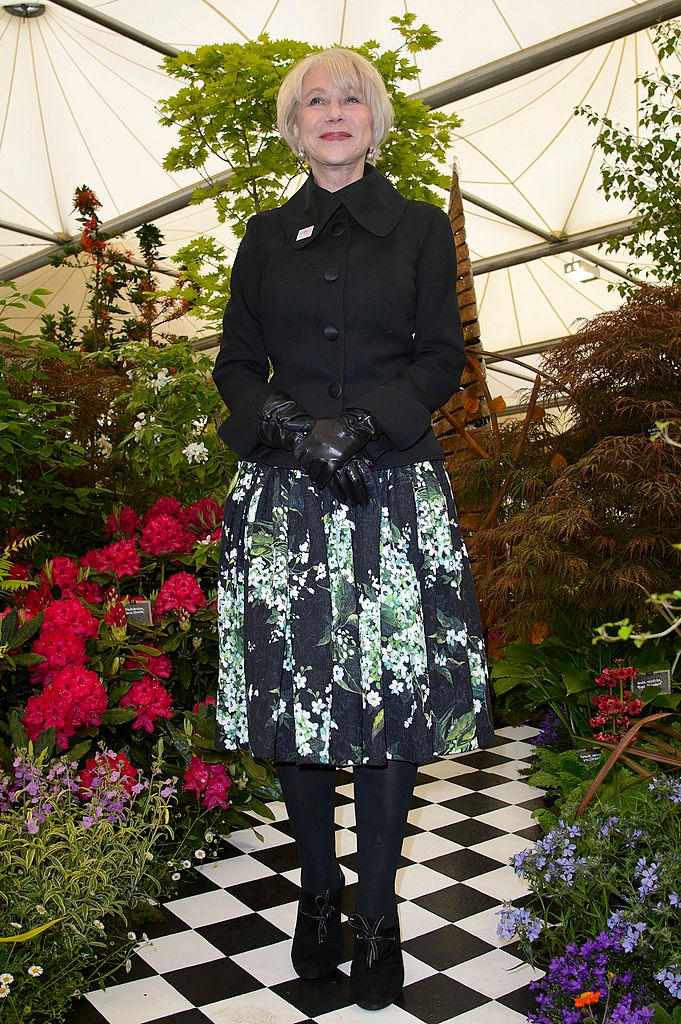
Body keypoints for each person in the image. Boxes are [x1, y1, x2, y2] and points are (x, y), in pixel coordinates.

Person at [212, 47, 495, 1012]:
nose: (333, 113)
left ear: (374, 122)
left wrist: (366, 424)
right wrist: (292, 428)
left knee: (388, 705)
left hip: (389, 490)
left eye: (351, 99)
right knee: (294, 705)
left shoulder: (417, 229)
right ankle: (318, 894)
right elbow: (235, 364)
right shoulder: (262, 236)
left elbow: (442, 354)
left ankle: (376, 910)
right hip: (284, 498)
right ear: (293, 129)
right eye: (314, 102)